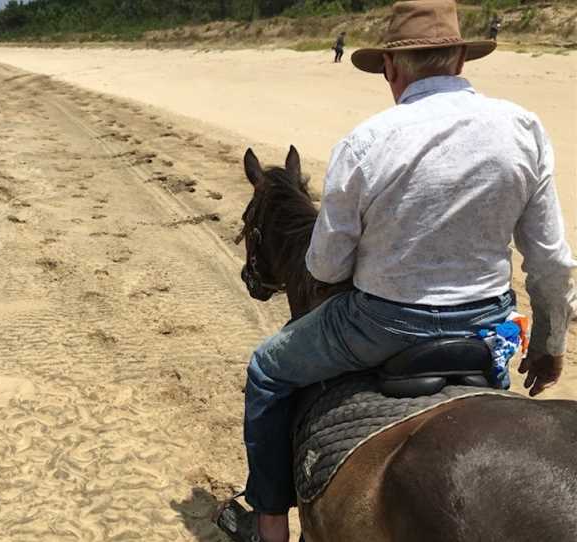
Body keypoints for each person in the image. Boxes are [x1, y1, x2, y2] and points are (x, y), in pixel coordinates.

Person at [218, 1, 576, 541]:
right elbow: (550, 262)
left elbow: (324, 264)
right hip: (489, 328)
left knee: (267, 370)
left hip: (382, 325)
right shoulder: (523, 129)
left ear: (390, 68)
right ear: (459, 59)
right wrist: (549, 346)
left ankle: (269, 524)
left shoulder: (366, 142)